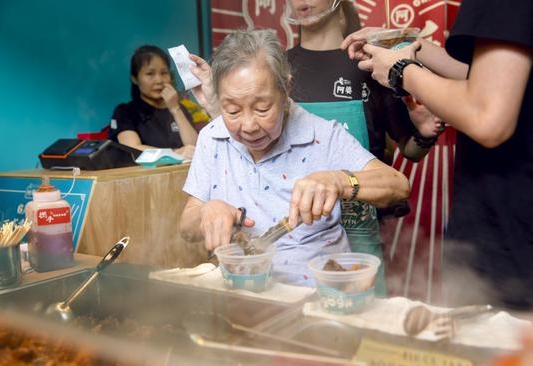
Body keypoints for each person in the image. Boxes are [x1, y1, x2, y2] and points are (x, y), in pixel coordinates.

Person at [179, 28, 410, 286]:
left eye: (262, 108)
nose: (248, 125)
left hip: (318, 296)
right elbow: (187, 227)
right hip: (244, 292)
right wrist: (207, 212)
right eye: (232, 110)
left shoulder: (322, 135)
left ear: (285, 89)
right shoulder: (212, 137)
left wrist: (339, 181)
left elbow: (398, 186)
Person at [341, 0, 533, 309]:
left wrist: (401, 71)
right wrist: (407, 44)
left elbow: (488, 116)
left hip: (511, 237)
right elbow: (490, 79)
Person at [283, 0, 444, 295]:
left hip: (363, 235)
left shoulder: (372, 62)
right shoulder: (278, 68)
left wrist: (424, 133)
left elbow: (409, 149)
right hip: (292, 233)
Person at [109, 45, 198, 159]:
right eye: (150, 74)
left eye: (164, 73)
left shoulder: (180, 109)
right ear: (135, 78)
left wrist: (175, 109)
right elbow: (132, 147)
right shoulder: (125, 112)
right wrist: (174, 153)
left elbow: (195, 148)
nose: (159, 80)